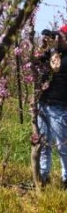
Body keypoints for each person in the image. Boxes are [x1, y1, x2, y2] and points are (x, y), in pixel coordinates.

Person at [33, 24, 67, 188]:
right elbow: (34, 61)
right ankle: (43, 176)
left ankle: (65, 179)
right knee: (44, 143)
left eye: (61, 36)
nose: (58, 39)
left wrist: (53, 51)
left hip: (59, 107)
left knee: (62, 145)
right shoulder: (52, 53)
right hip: (43, 103)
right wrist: (44, 45)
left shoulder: (61, 56)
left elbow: (56, 66)